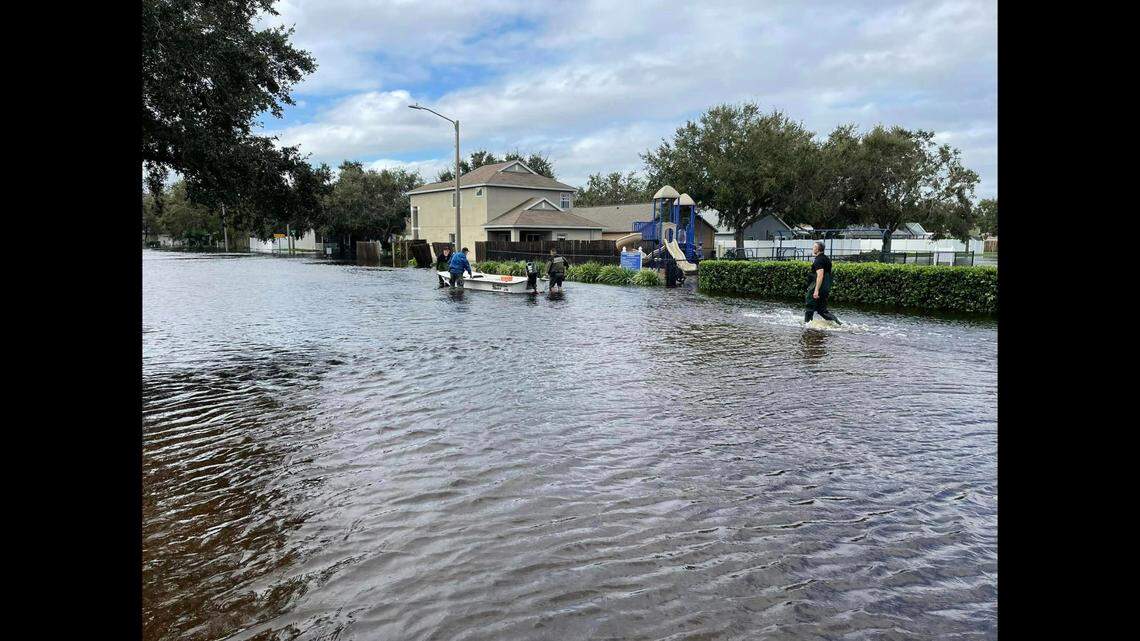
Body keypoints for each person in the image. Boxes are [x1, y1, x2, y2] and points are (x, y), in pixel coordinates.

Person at [805, 241, 841, 324]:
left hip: (818, 286)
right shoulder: (826, 259)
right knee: (822, 310)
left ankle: (806, 326)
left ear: (817, 249)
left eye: (814, 247)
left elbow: (820, 275)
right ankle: (838, 324)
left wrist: (816, 290)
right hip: (826, 286)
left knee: (809, 307)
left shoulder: (818, 260)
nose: (812, 248)